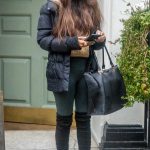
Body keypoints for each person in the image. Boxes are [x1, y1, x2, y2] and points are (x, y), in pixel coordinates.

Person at [37, 0, 106, 149]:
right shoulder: (51, 7)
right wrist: (71, 42)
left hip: (87, 72)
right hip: (62, 72)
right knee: (64, 120)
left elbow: (96, 45)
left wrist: (100, 40)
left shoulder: (90, 5)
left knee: (84, 119)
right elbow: (43, 40)